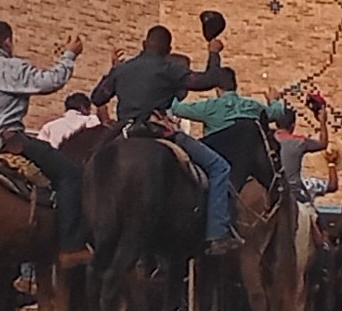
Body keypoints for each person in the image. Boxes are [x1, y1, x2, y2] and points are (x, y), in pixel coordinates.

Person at [0, 20, 88, 264]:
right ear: (7, 41)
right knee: (70, 173)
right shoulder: (11, 68)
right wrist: (69, 56)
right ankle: (71, 246)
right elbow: (50, 81)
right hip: (3, 142)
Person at [89, 25, 239, 255]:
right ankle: (217, 234)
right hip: (157, 130)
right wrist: (213, 52)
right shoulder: (169, 68)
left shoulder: (123, 69)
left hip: (123, 132)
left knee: (88, 166)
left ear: (143, 44)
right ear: (168, 49)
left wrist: (113, 72)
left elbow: (98, 96)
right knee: (219, 167)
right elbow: (208, 80)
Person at [274, 101, 331, 209]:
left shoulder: (268, 139)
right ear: (293, 125)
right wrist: (322, 122)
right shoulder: (298, 142)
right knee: (313, 216)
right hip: (294, 192)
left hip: (271, 190)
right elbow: (323, 144)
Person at [37, 92, 104, 147]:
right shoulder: (92, 121)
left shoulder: (49, 126)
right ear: (83, 108)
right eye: (89, 108)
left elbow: (39, 147)